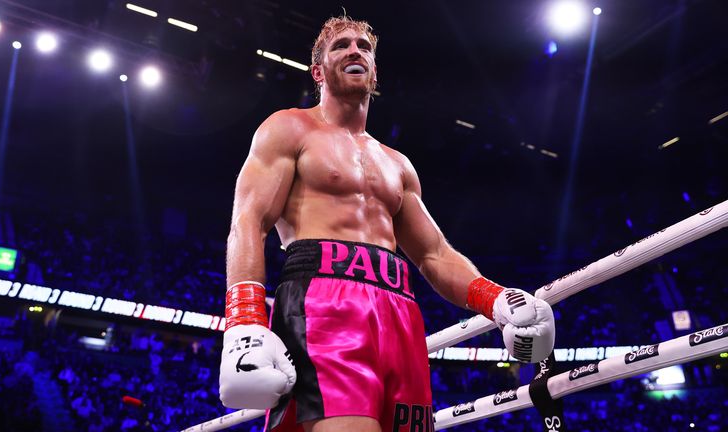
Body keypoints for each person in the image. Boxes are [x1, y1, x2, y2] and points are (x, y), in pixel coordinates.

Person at [219, 15, 556, 432]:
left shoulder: (397, 164)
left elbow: (433, 254)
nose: (355, 50)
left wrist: (497, 300)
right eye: (341, 45)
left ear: (374, 70)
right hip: (323, 305)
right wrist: (244, 322)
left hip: (399, 314)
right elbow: (248, 221)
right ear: (318, 71)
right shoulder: (289, 128)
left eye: (364, 46)